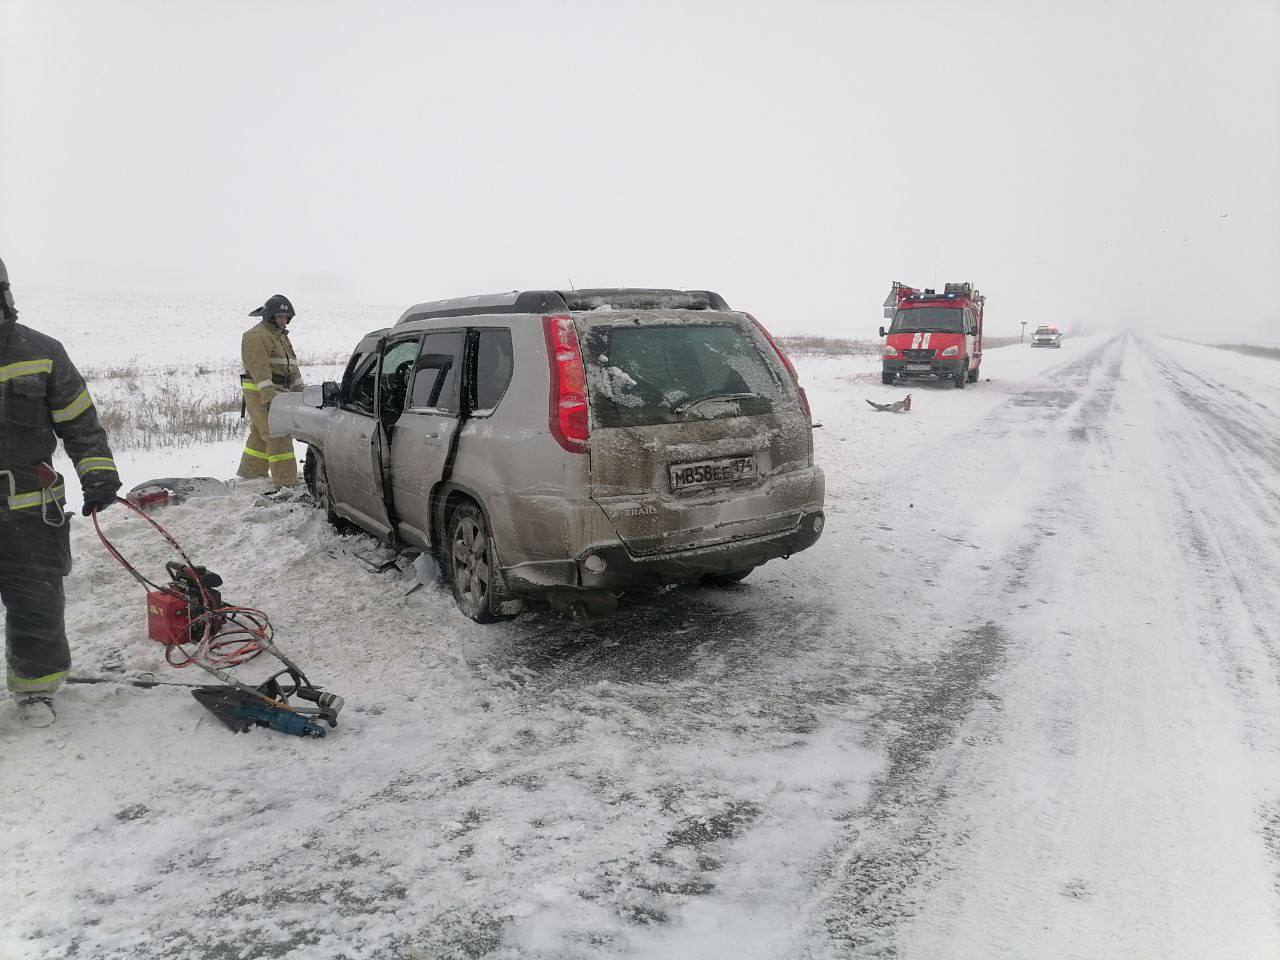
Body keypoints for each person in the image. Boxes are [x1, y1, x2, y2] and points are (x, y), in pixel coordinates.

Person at [0, 256, 121, 727]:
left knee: (36, 603)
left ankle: (35, 693)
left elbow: (81, 424)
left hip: (30, 511)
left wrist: (99, 475)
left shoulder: (42, 351)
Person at [237, 294, 304, 487]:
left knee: (261, 431)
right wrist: (269, 397)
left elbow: (291, 367)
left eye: (286, 317)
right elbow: (259, 369)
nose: (283, 320)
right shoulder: (257, 336)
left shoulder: (279, 336)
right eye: (279, 317)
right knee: (277, 433)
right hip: (261, 392)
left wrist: (301, 391)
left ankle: (252, 472)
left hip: (278, 392)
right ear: (269, 316)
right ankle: (286, 482)